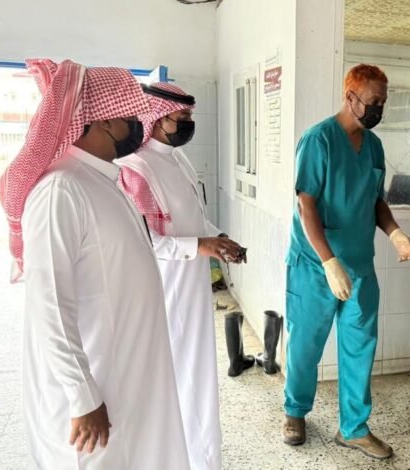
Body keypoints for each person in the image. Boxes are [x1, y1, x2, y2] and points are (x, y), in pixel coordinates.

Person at [0, 59, 188, 468]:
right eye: (131, 114)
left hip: (126, 370)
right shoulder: (60, 191)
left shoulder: (102, 179)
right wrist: (82, 395)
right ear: (104, 120)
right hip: (96, 385)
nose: (139, 123)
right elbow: (48, 302)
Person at [282, 64, 410, 460]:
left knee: (360, 346)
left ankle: (354, 428)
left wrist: (395, 232)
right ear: (350, 97)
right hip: (314, 264)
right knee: (305, 343)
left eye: (383, 103)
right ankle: (295, 411)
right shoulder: (318, 140)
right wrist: (328, 261)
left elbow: (376, 201)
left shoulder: (373, 146)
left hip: (359, 263)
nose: (379, 109)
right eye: (373, 102)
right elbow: (306, 205)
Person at [118, 82, 246, 469]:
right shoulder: (136, 170)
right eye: (182, 117)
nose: (188, 124)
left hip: (192, 286)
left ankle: (202, 454)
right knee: (182, 376)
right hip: (165, 288)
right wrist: (200, 246)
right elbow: (147, 241)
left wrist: (219, 239)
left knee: (199, 374)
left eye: (190, 116)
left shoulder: (178, 159)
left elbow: (193, 218)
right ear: (156, 118)